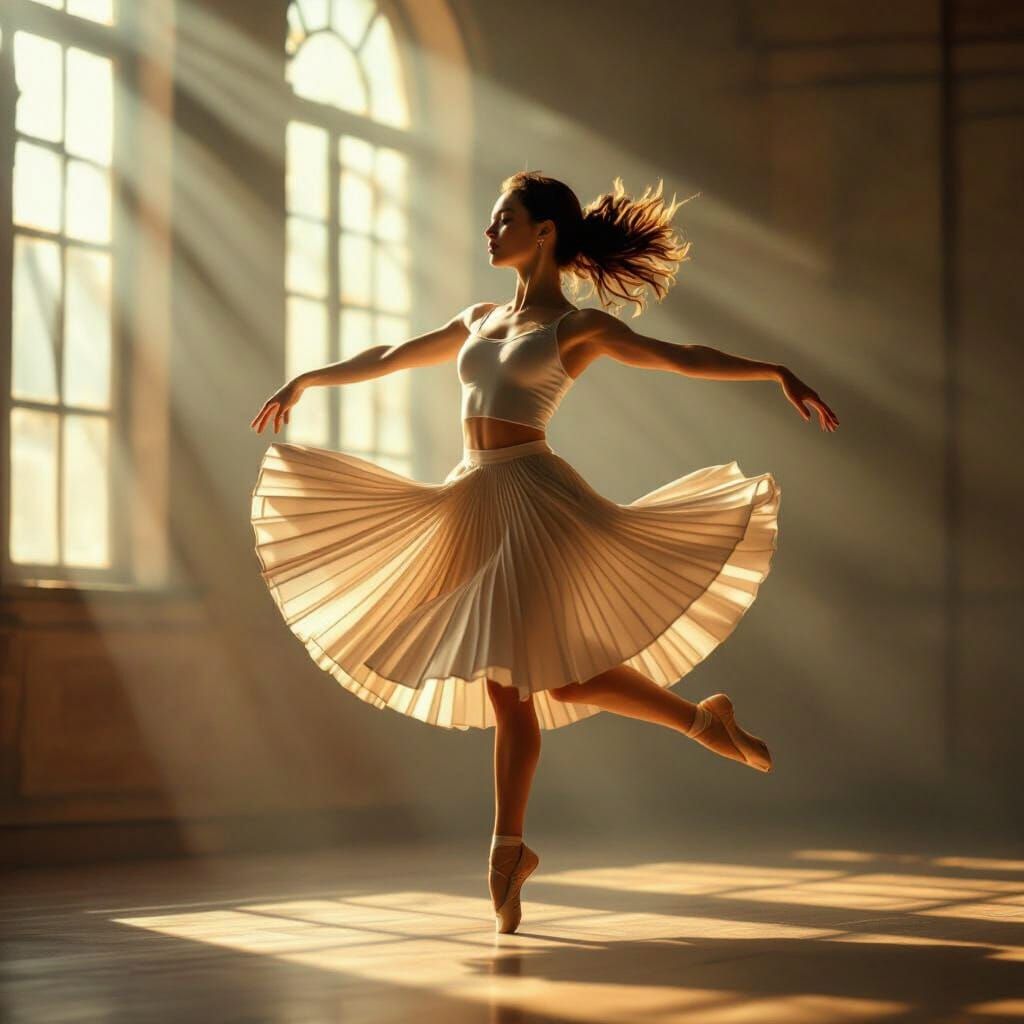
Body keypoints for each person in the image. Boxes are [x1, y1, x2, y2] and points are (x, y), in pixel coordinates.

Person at [249, 170, 839, 935]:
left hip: (533, 502)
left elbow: (680, 355)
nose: (489, 230)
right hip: (471, 498)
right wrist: (307, 380)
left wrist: (774, 371)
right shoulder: (479, 318)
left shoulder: (577, 328)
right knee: (553, 680)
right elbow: (392, 353)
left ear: (544, 231)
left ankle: (508, 850)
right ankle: (701, 723)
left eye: (504, 218)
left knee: (517, 683)